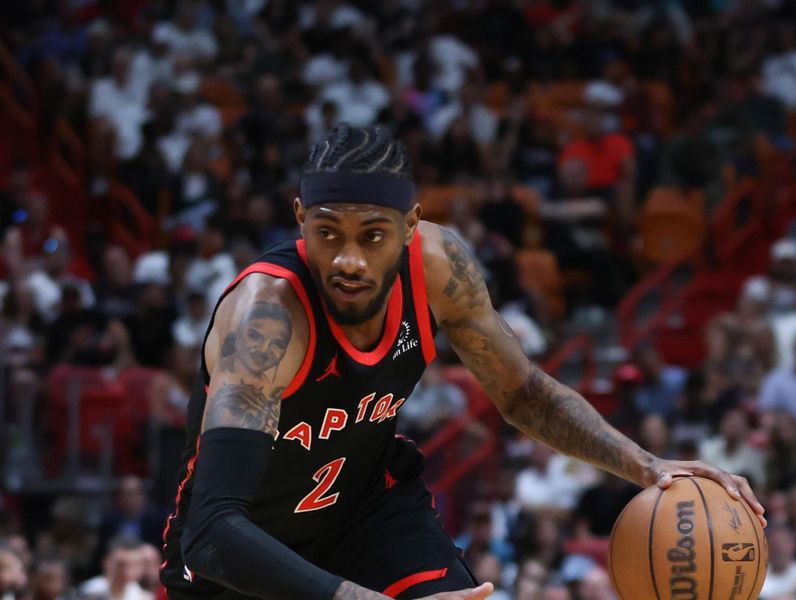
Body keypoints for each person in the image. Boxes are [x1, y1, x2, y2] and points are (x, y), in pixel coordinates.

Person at [160, 124, 765, 600]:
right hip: (240, 555)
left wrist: (646, 465)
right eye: (328, 233)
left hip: (363, 514)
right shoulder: (265, 317)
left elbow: (523, 394)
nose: (349, 260)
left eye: (373, 235)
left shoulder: (437, 266)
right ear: (300, 220)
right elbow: (212, 532)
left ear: (410, 226)